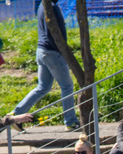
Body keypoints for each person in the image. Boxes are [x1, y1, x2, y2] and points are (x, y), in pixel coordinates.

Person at [11, 0, 80, 132]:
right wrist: (62, 52)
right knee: (67, 86)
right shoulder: (51, 7)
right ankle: (71, 122)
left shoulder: (43, 5)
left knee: (43, 87)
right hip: (52, 52)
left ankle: (16, 114)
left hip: (42, 50)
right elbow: (53, 33)